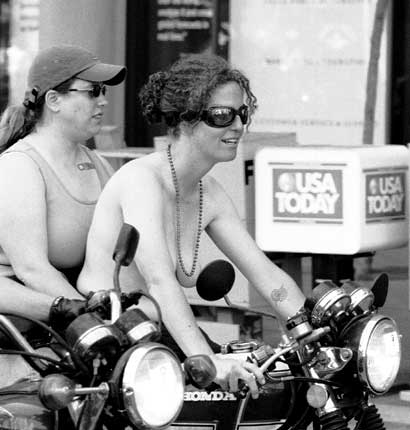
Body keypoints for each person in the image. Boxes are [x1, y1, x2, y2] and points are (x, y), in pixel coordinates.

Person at [78, 53, 306, 397]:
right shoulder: (142, 181)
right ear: (184, 120)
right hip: (108, 338)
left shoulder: (208, 192)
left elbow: (265, 274)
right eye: (221, 115)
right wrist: (208, 359)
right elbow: (158, 280)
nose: (238, 126)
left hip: (155, 333)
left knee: (270, 389)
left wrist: (311, 327)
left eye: (241, 113)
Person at [0, 44, 126, 331]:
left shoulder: (99, 164)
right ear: (54, 100)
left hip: (81, 309)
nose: (103, 101)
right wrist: (105, 326)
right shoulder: (19, 166)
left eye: (104, 91)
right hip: (26, 322)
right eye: (93, 91)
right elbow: (33, 270)